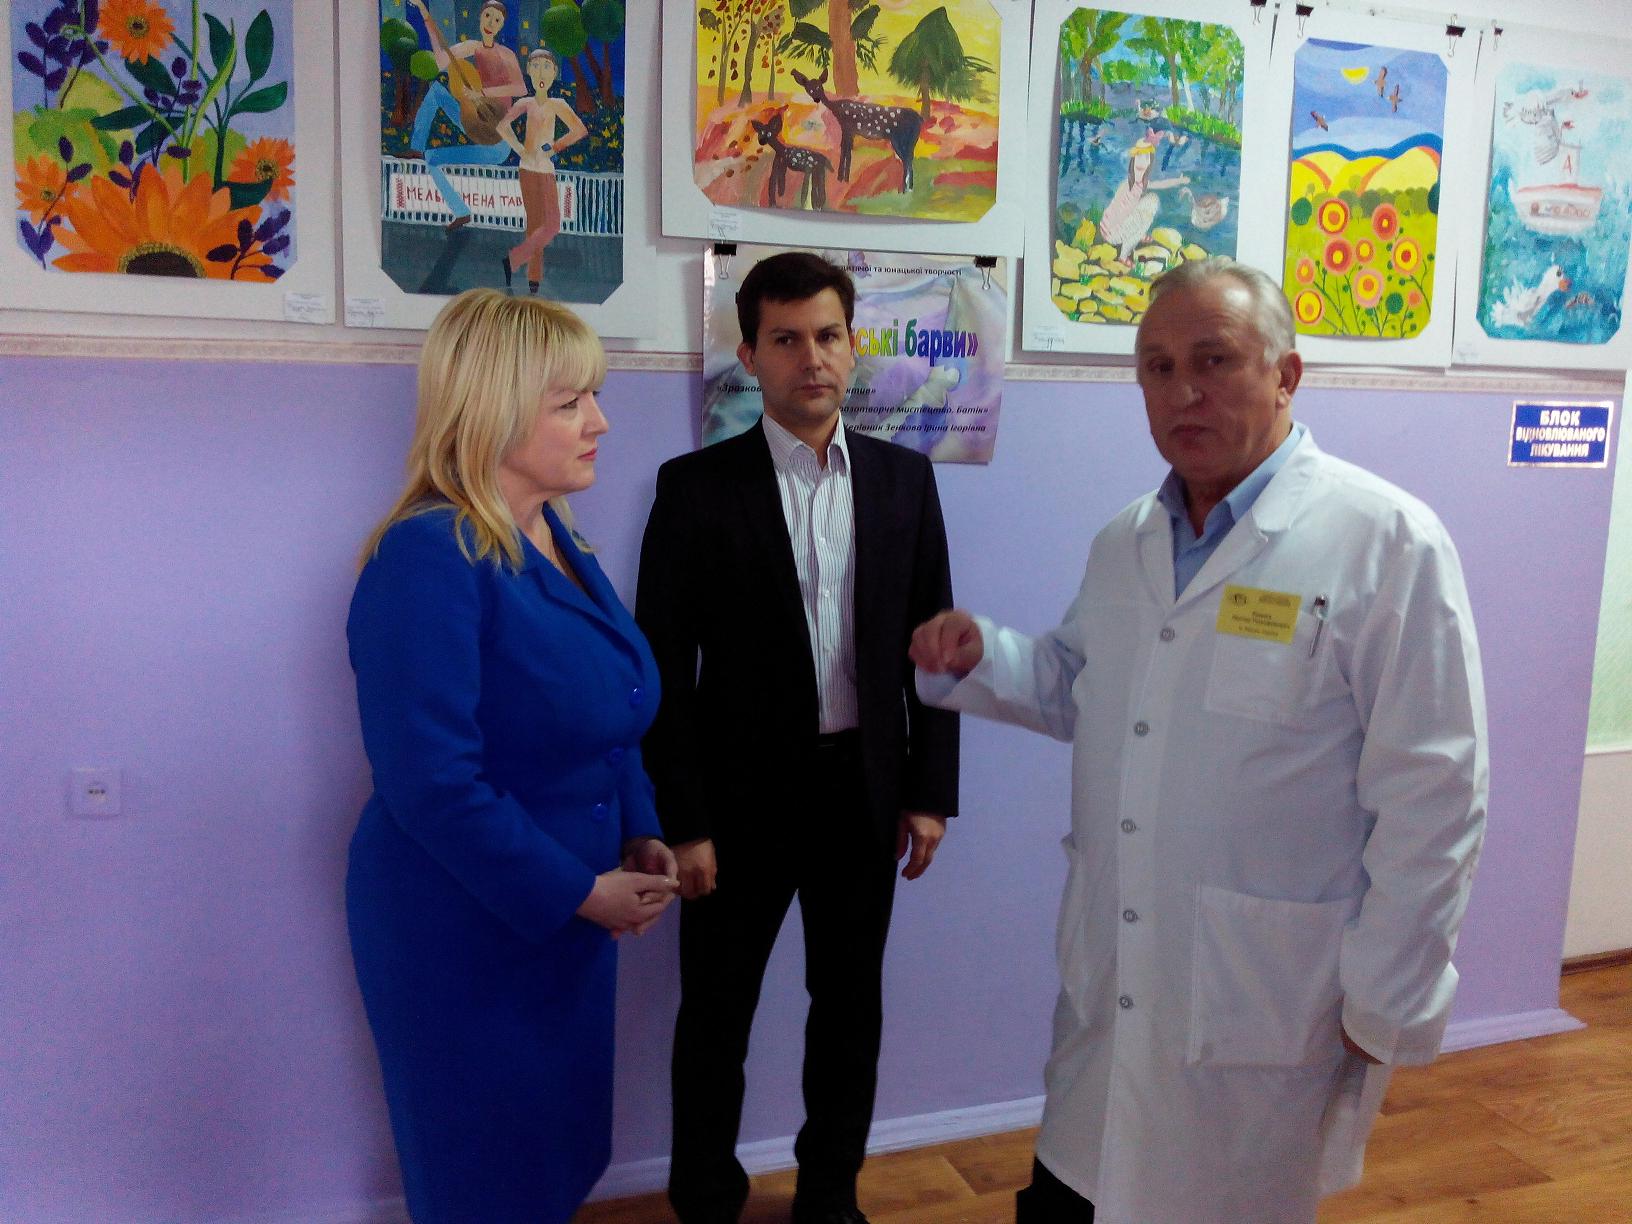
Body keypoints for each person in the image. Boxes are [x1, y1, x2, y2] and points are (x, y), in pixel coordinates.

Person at [911, 257, 1487, 1224]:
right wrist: (986, 657)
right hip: (1115, 981)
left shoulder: (1385, 540)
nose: (1184, 391)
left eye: (1214, 360)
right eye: (1158, 366)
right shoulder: (1126, 541)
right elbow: (1086, 688)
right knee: (1075, 1188)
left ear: (1286, 375)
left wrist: (1387, 994)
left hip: (1263, 997)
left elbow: (1436, 794)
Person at [636, 251, 960, 1224]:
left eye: (827, 336)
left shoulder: (904, 482)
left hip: (862, 791)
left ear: (854, 346)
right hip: (736, 805)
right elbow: (662, 669)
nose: (810, 359)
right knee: (715, 1017)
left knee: (850, 1011)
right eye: (785, 340)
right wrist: (685, 820)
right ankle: (705, 1199)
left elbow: (935, 646)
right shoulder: (695, 488)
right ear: (749, 355)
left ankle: (829, 1197)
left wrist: (929, 791)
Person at [346, 288, 679, 1223]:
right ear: (491, 410)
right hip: (463, 924)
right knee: (482, 1178)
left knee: (549, 1163)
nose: (600, 422)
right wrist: (581, 892)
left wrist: (641, 831)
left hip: (567, 912)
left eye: (595, 397)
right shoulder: (427, 558)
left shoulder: (557, 537)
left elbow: (610, 710)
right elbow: (431, 785)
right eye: (571, 402)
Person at [405, 0, 525, 232]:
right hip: (474, 122)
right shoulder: (471, 47)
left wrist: (483, 93)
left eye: (497, 20)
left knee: (433, 158)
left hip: (497, 141)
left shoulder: (506, 55)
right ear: (480, 17)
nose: (491, 23)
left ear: (502, 26)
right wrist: (424, 13)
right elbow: (440, 61)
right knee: (436, 92)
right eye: (488, 16)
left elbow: (520, 88)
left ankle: (460, 211)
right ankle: (416, 148)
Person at [498, 49, 587, 295]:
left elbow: (579, 130)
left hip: (546, 170)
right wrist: (519, 149)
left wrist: (555, 146)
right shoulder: (524, 103)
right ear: (528, 71)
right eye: (536, 66)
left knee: (552, 225)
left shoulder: (558, 104)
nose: (541, 73)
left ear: (555, 73)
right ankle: (533, 279)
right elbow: (503, 126)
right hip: (527, 169)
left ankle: (513, 260)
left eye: (546, 67)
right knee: (535, 225)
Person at [1097, 137, 1188, 265]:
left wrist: (1179, 181)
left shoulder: (1141, 183)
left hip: (1121, 223)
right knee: (1144, 219)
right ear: (1133, 160)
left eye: (1146, 158)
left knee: (1153, 199)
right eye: (1139, 156)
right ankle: (1123, 255)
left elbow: (1160, 184)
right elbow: (1116, 209)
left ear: (1149, 163)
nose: (1141, 161)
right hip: (1111, 231)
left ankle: (1137, 233)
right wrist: (1134, 227)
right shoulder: (1127, 185)